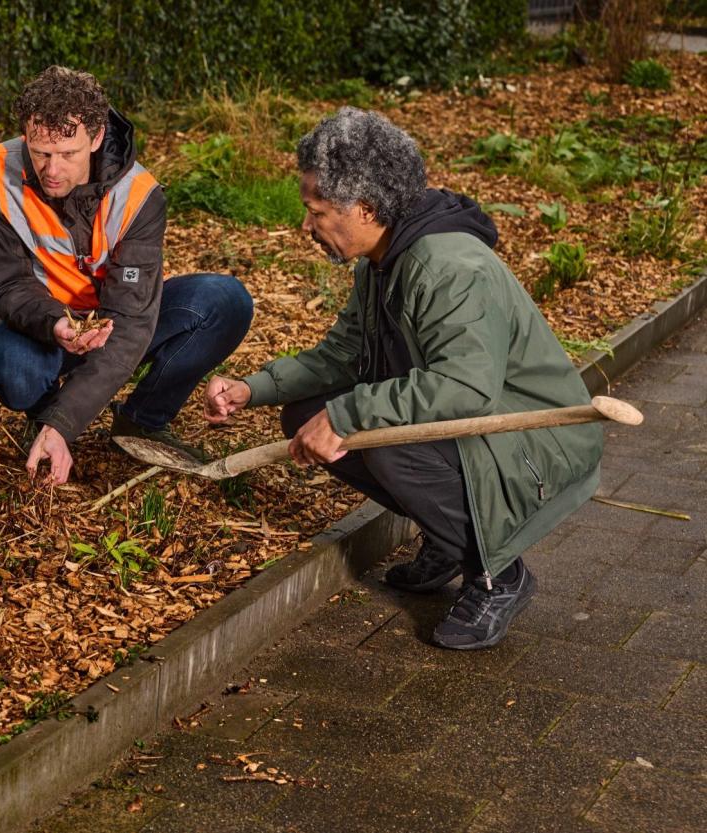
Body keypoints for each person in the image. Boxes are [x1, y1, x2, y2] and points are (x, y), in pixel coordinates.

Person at [203, 108, 603, 650]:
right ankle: (450, 535)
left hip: (533, 442)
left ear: (365, 208)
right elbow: (342, 357)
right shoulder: (382, 258)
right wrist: (253, 388)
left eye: (316, 212)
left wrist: (346, 417)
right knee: (304, 415)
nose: (306, 226)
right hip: (476, 431)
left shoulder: (449, 267)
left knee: (383, 444)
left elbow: (466, 388)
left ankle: (497, 573)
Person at [0, 66, 254, 486]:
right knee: (13, 367)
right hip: (44, 324)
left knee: (224, 301)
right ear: (25, 135)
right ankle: (43, 418)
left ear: (96, 138)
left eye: (68, 154)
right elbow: (6, 283)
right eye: (40, 152)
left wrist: (65, 425)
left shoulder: (140, 194)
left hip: (113, 316)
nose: (51, 169)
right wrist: (58, 324)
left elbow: (129, 323)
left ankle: (142, 420)